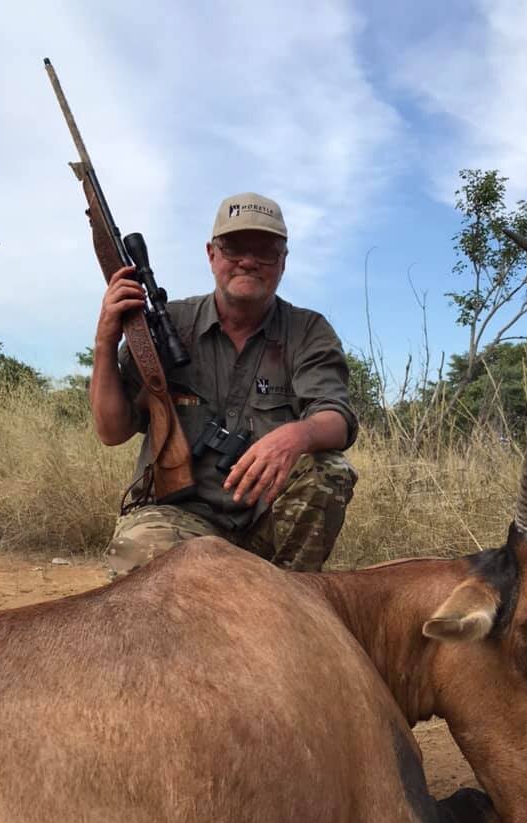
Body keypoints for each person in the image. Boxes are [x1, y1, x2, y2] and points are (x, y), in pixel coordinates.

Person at [91, 192, 358, 577]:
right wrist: (104, 342)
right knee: (139, 555)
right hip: (176, 518)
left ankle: (290, 601)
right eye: (233, 248)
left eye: (265, 251)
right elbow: (111, 431)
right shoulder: (168, 325)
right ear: (211, 254)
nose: (248, 261)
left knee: (329, 470)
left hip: (264, 522)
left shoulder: (308, 330)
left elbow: (337, 417)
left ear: (283, 262)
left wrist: (296, 436)